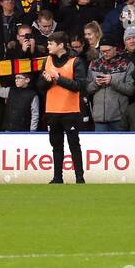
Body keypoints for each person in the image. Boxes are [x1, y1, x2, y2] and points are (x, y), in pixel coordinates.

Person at [36, 32, 89, 184]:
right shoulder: (46, 61)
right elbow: (40, 87)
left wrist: (59, 79)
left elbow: (79, 86)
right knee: (56, 145)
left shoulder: (76, 61)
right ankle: (57, 177)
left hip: (70, 110)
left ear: (60, 45)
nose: (47, 46)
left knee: (74, 145)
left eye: (50, 44)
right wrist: (46, 81)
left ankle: (79, 178)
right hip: (52, 110)